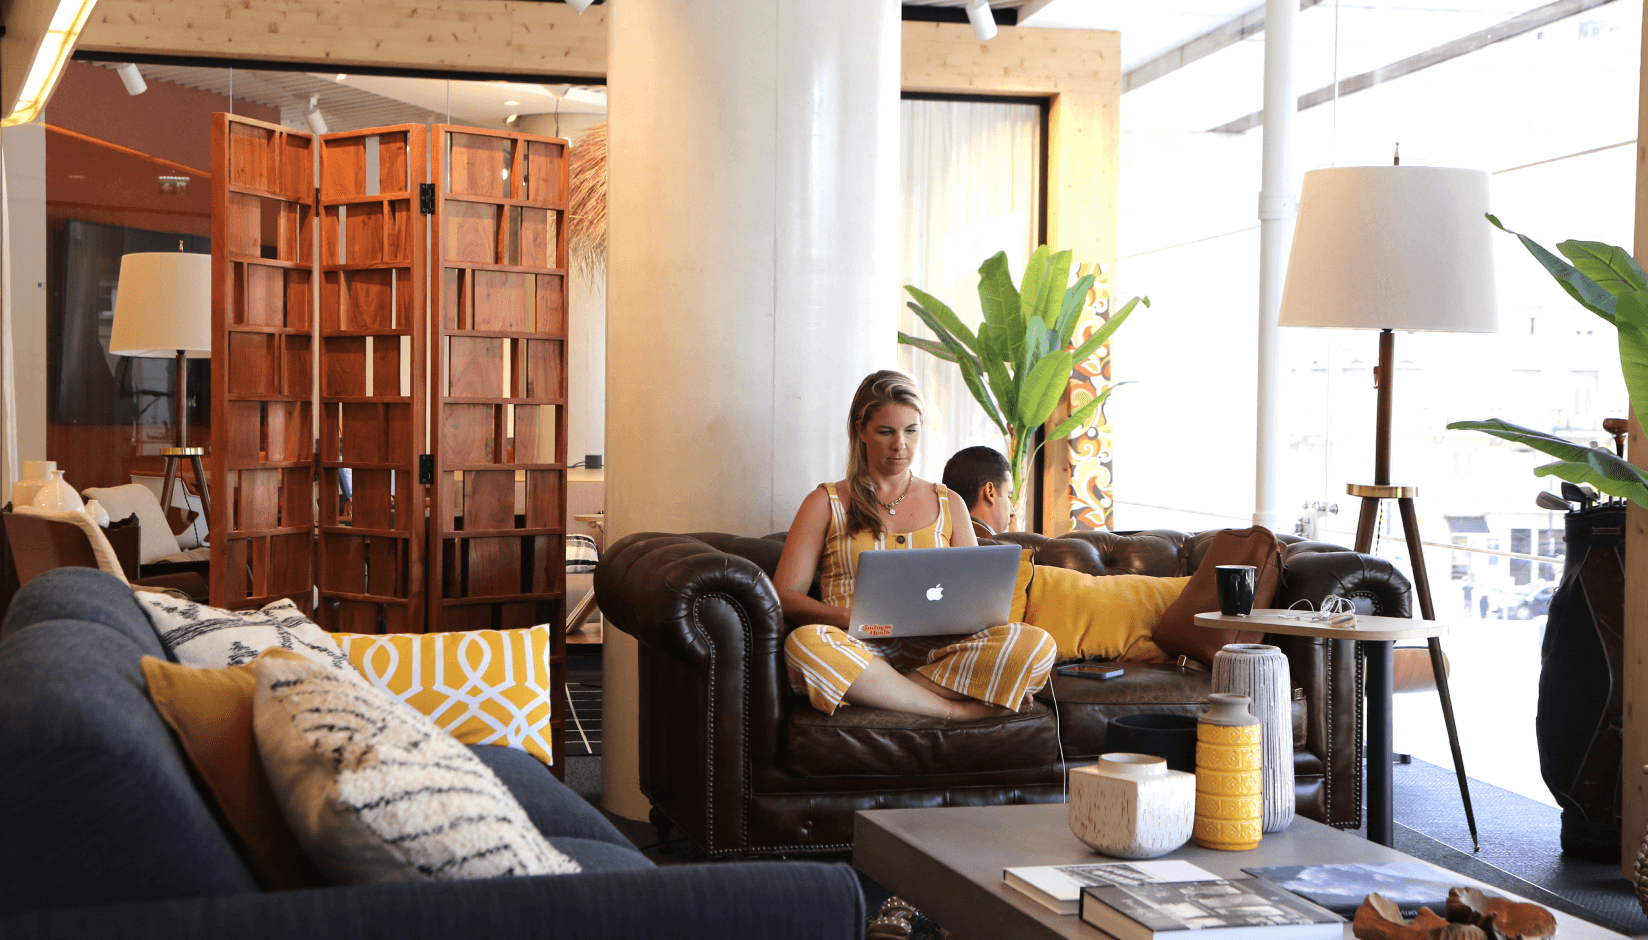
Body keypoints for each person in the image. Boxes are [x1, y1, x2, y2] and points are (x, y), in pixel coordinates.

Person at [775, 370, 1057, 721]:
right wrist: (849, 617)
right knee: (804, 644)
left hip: (937, 653)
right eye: (886, 432)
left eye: (911, 431)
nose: (900, 445)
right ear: (861, 430)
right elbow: (784, 596)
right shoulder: (825, 502)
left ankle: (885, 690)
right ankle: (954, 710)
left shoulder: (949, 503)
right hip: (855, 647)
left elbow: (975, 600)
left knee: (1037, 644)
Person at [941, 445, 1014, 539]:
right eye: (1008, 496)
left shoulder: (938, 539)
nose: (1013, 512)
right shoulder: (1006, 548)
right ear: (990, 492)